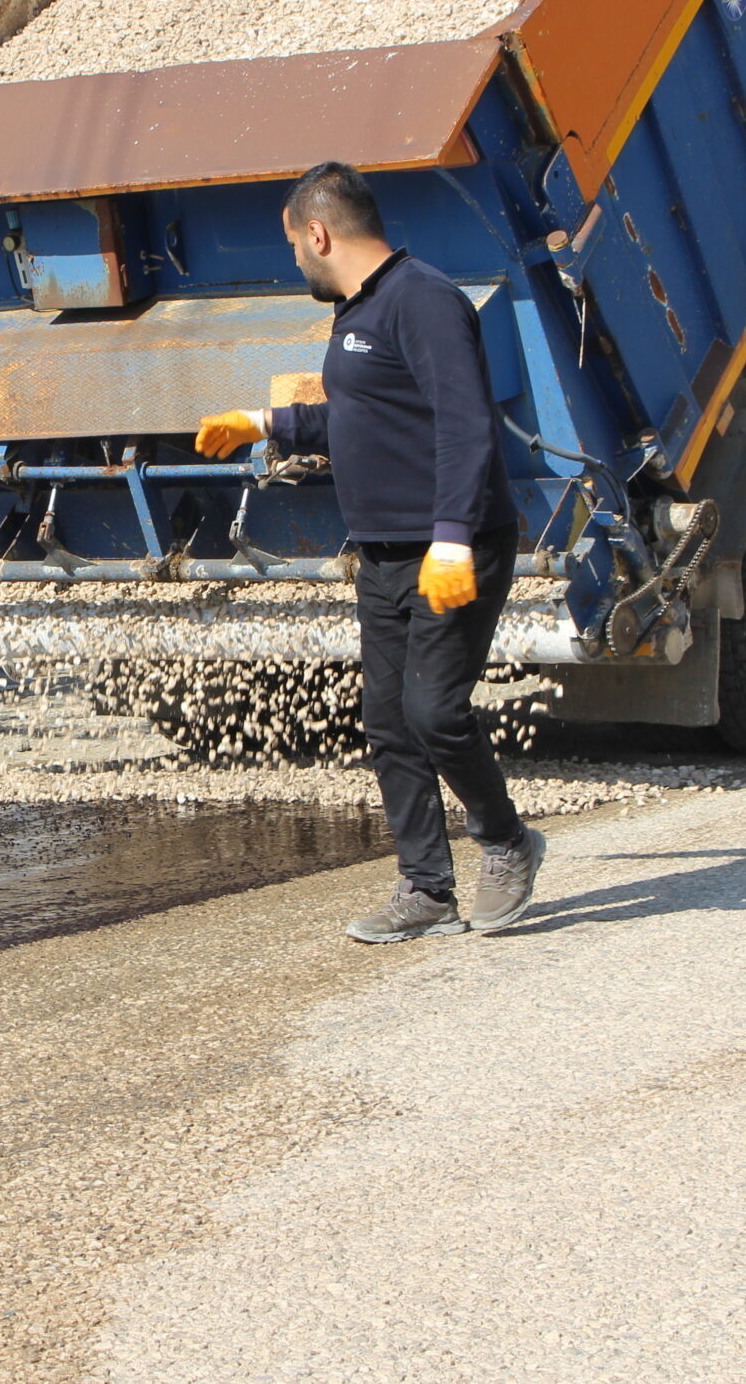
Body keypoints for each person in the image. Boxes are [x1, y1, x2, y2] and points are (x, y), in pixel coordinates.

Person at [197, 161, 544, 941]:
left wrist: (452, 537)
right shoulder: (357, 311)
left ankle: (508, 842)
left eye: (294, 245)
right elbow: (360, 416)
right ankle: (426, 887)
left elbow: (465, 424)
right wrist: (266, 422)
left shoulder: (422, 299)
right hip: (386, 553)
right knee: (388, 719)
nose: (294, 261)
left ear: (318, 233)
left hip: (452, 548)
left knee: (435, 709)